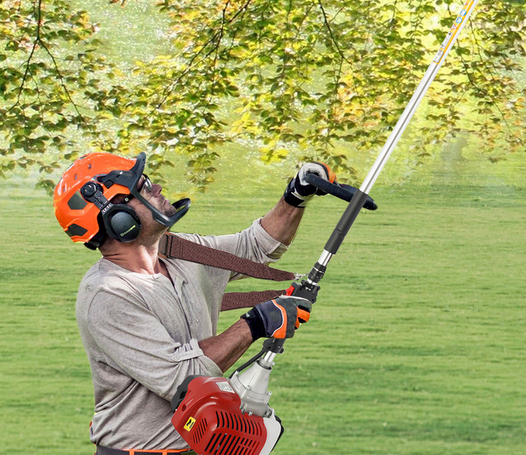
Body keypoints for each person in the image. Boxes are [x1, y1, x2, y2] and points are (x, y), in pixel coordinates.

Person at [53, 151, 332, 455]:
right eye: (143, 186)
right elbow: (186, 379)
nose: (157, 188)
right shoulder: (107, 294)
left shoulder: (183, 253)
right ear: (119, 219)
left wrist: (296, 195)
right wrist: (255, 323)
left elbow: (256, 246)